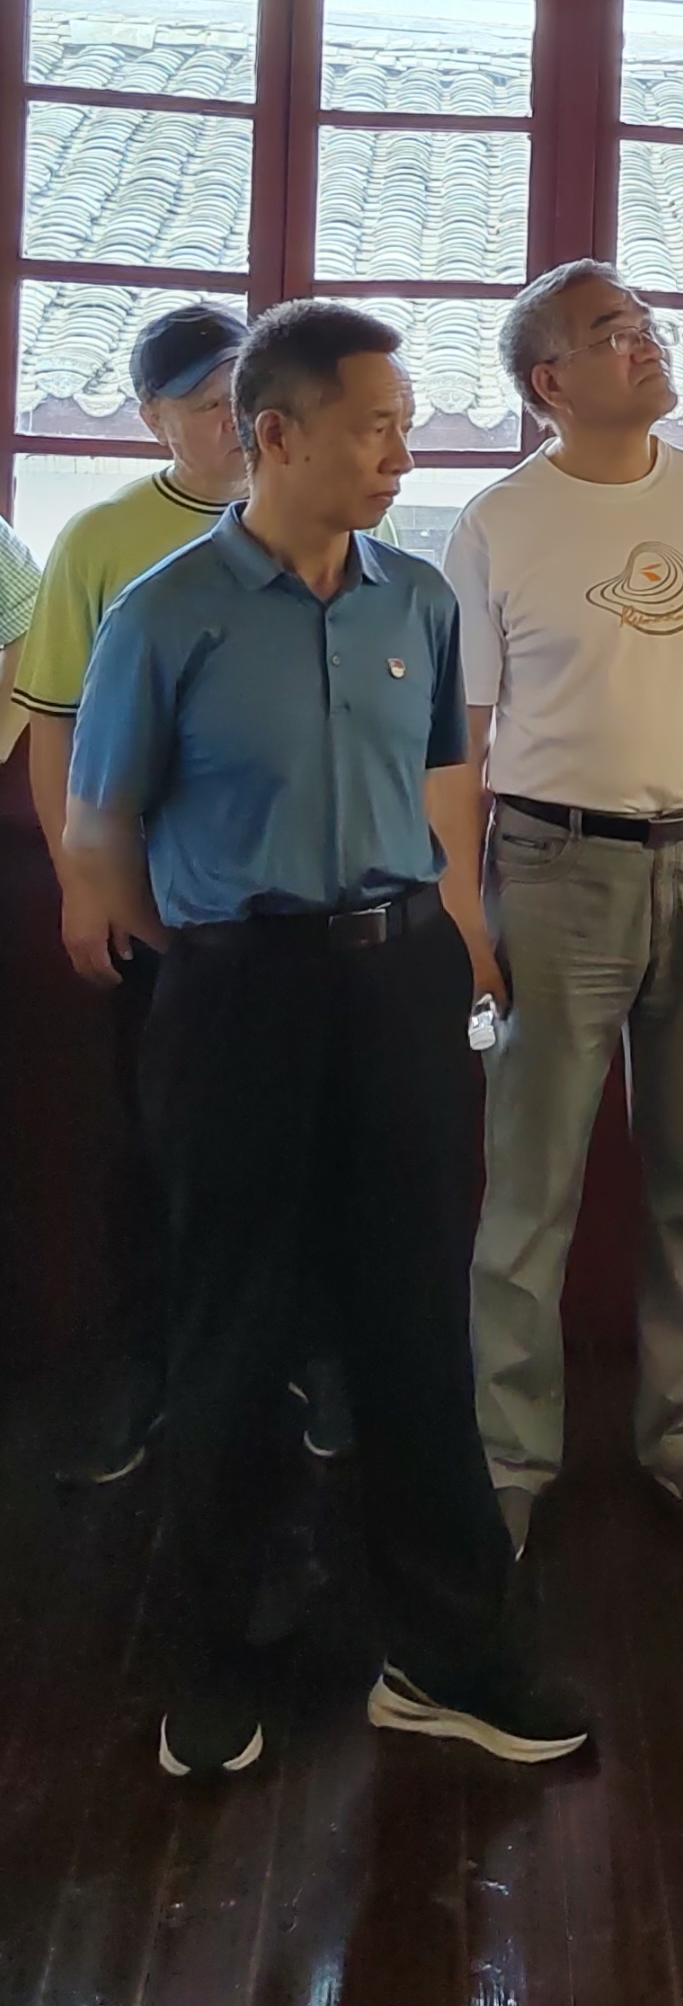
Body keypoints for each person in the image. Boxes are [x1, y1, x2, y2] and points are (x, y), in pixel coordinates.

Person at [62, 300, 585, 1776]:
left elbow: (443, 789)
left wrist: (455, 932)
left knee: (416, 1320)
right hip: (235, 993)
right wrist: (218, 956)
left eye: (405, 426)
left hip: (398, 979)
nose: (401, 453)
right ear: (275, 434)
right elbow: (100, 832)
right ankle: (220, 1654)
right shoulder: (163, 611)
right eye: (376, 428)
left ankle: (446, 1653)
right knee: (233, 1327)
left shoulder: (415, 599)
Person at [454, 262, 683, 1557]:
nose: (647, 344)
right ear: (549, 382)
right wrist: (460, 903)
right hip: (553, 870)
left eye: (648, 326)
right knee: (529, 1189)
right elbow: (463, 735)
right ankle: (508, 1459)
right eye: (613, 334)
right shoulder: (498, 523)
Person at [25, 302, 303, 1491]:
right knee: (153, 1145)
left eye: (244, 398)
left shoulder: (318, 520)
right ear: (153, 420)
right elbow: (55, 726)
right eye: (203, 405)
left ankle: (296, 1369)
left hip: (296, 897)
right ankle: (151, 1377)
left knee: (302, 1141)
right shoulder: (103, 541)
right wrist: (79, 881)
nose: (233, 424)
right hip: (155, 901)